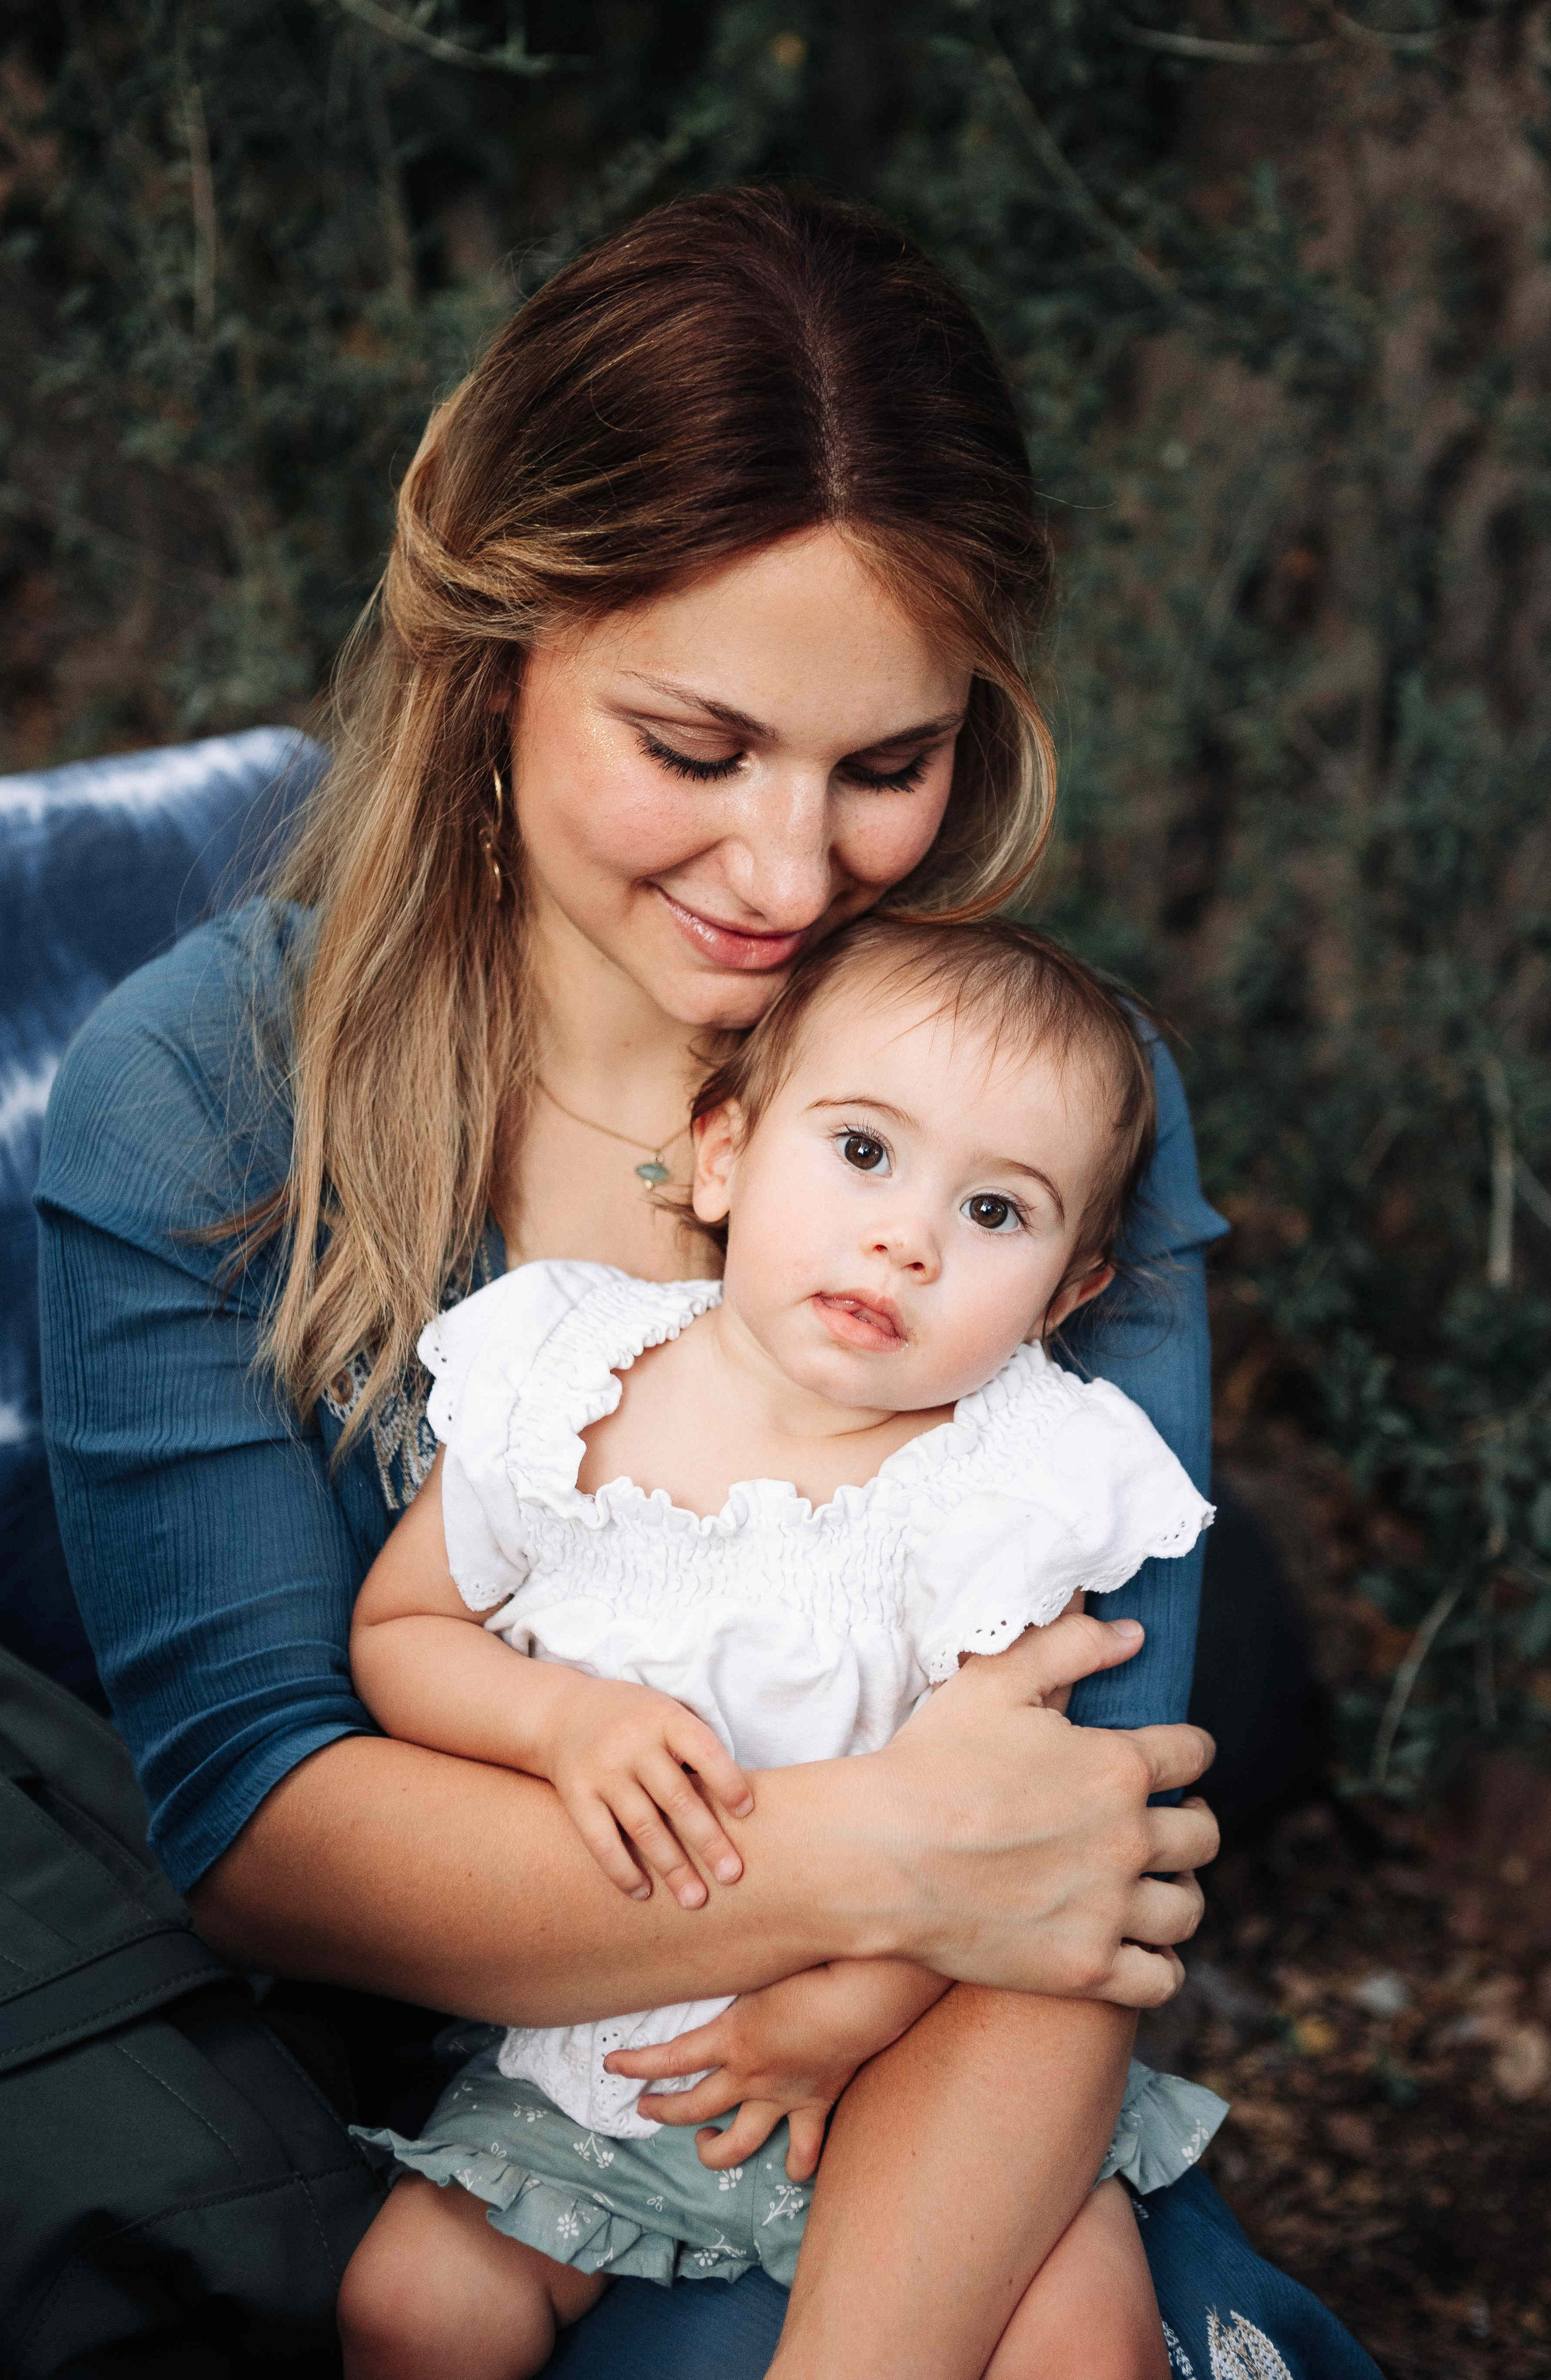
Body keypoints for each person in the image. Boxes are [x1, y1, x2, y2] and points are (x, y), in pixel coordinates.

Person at [36, 187, 1377, 2379]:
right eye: (695, 749)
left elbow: (1067, 1875)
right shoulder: (201, 1097)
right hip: (458, 2105)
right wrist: (883, 1851)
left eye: (888, 767)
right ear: (497, 636)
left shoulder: (1032, 1109)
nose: (787, 876)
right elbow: (273, 1831)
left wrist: (925, 1922)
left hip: (935, 2082)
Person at [335, 917, 1229, 2380]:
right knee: (408, 2310)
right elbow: (402, 1630)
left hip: (910, 2051)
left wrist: (845, 2013)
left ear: (1065, 1297)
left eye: (995, 1214)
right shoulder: (567, 1379)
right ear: (725, 1155)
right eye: (863, 1152)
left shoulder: (1003, 1485)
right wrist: (558, 1723)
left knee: (1092, 2353)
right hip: (605, 2052)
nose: (908, 1237)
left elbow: (1016, 1834)